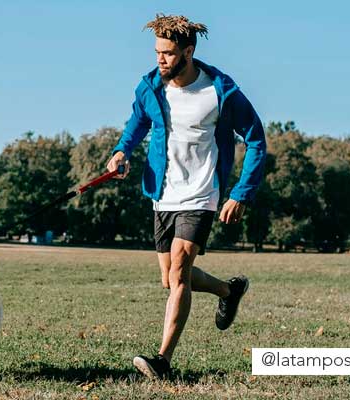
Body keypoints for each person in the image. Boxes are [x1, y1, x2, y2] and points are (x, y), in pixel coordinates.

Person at [106, 14, 267, 379]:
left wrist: (241, 193)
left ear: (188, 52)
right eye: (157, 52)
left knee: (179, 273)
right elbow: (137, 123)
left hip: (202, 193)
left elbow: (256, 139)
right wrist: (121, 152)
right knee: (170, 278)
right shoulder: (151, 87)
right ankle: (229, 291)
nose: (160, 59)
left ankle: (162, 361)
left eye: (168, 53)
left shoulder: (220, 92)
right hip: (162, 193)